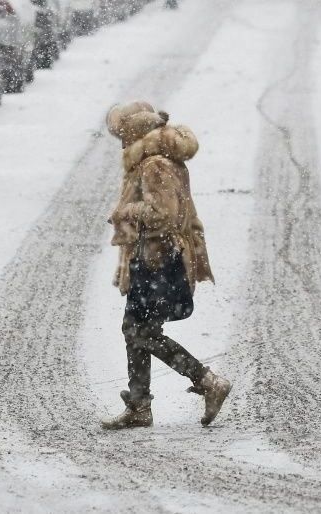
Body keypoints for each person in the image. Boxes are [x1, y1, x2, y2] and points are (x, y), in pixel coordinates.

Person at [101, 101, 231, 430]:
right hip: (153, 258)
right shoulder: (156, 160)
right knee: (135, 329)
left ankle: (207, 381)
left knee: (140, 331)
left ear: (134, 132)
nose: (121, 142)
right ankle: (139, 405)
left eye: (122, 135)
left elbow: (164, 215)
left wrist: (125, 213)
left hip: (160, 260)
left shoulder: (154, 164)